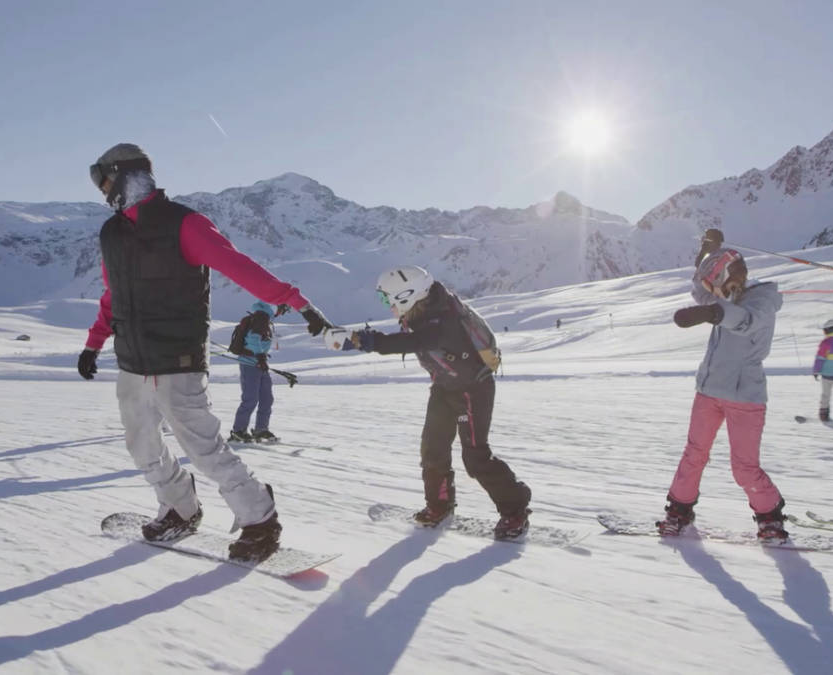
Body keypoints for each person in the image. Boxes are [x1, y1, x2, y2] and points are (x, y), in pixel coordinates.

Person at [77, 143, 335, 562]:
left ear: (125, 176)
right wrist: (94, 343)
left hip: (178, 358)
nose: (102, 190)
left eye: (103, 180)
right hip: (133, 361)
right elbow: (113, 295)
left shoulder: (184, 223)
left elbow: (241, 267)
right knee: (141, 445)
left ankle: (260, 518)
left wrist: (298, 303)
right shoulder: (112, 234)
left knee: (203, 447)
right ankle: (179, 505)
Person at [328, 265, 532, 539]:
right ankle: (439, 504)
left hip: (473, 390)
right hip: (444, 387)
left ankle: (515, 509)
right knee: (433, 449)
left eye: (387, 300)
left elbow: (410, 342)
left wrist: (360, 340)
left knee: (475, 456)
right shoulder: (427, 310)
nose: (387, 306)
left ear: (407, 297)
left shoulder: (442, 322)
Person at [657, 242, 788, 541]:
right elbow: (700, 292)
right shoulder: (726, 295)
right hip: (708, 391)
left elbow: (745, 322)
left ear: (728, 278)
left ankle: (770, 517)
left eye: (712, 286)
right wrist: (705, 255)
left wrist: (714, 313)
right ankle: (678, 511)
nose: (710, 294)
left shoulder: (762, 301)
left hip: (745, 396)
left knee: (744, 467)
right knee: (694, 455)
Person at [228, 300, 291, 444]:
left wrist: (261, 358)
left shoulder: (265, 317)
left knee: (266, 398)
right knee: (250, 398)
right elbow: (252, 338)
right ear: (277, 306)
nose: (282, 313)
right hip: (250, 363)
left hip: (258, 363)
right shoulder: (262, 317)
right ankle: (238, 431)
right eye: (284, 308)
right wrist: (260, 356)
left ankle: (261, 429)